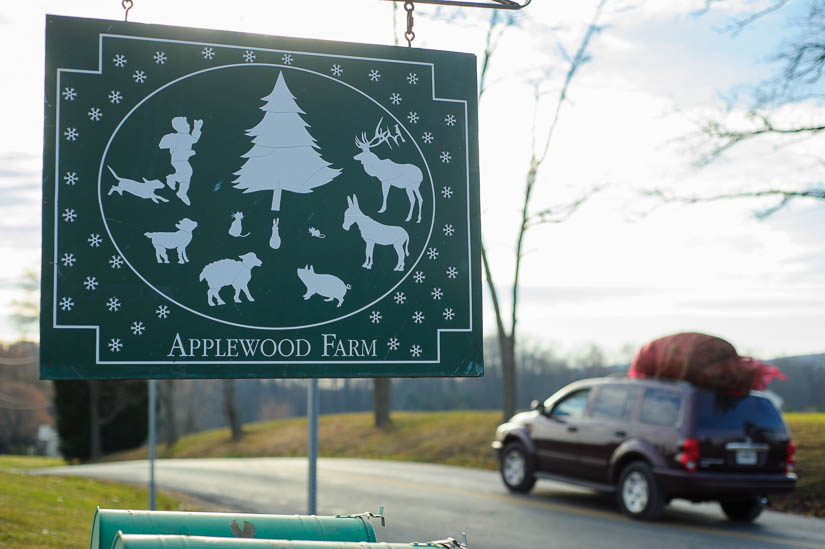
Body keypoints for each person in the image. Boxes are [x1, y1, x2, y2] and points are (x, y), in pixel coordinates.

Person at [159, 116, 203, 206]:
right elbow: (162, 145)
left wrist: (197, 128)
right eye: (186, 124)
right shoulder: (175, 137)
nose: (188, 126)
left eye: (188, 124)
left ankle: (181, 192)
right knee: (187, 172)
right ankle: (172, 178)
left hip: (183, 159)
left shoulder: (187, 136)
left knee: (187, 174)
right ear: (178, 127)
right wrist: (189, 152)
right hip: (178, 159)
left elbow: (194, 139)